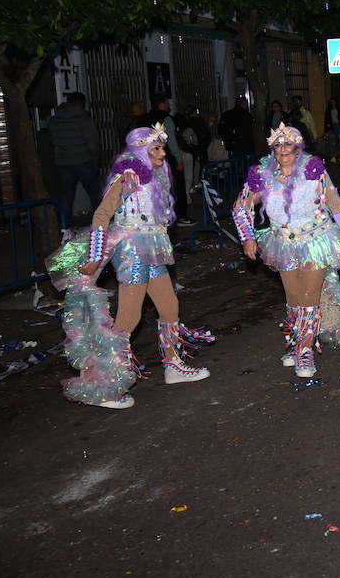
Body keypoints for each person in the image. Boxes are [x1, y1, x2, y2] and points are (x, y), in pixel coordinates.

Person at [45, 125, 215, 409]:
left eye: (162, 147)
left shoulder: (157, 175)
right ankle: (106, 385)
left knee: (169, 307)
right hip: (133, 252)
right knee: (129, 317)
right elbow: (101, 214)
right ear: (140, 151)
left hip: (154, 249)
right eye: (156, 148)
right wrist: (96, 256)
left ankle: (173, 365)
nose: (163, 152)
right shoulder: (129, 175)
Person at [232, 125, 340, 379]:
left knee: (309, 296)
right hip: (283, 243)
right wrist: (247, 237)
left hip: (316, 240)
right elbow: (240, 207)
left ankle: (305, 350)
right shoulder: (263, 175)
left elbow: (336, 204)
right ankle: (295, 341)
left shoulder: (313, 171)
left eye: (288, 145)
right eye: (278, 146)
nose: (283, 151)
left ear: (297, 148)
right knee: (293, 297)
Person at [48, 92, 101, 232]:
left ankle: (65, 229)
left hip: (63, 163)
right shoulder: (84, 118)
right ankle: (101, 226)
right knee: (95, 194)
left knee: (66, 196)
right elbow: (93, 143)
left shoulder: (54, 119)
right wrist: (95, 162)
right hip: (84, 161)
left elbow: (52, 140)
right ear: (81, 103)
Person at [141, 97, 193, 226]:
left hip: (150, 157)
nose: (169, 105)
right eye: (166, 103)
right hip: (167, 158)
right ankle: (180, 216)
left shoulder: (145, 118)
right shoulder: (166, 119)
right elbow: (172, 142)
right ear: (161, 105)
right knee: (176, 188)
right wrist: (178, 159)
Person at [175, 104, 210, 195]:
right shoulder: (200, 121)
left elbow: (184, 136)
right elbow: (206, 135)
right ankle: (202, 184)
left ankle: (194, 185)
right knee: (201, 166)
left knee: (193, 168)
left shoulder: (186, 122)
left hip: (192, 149)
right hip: (201, 147)